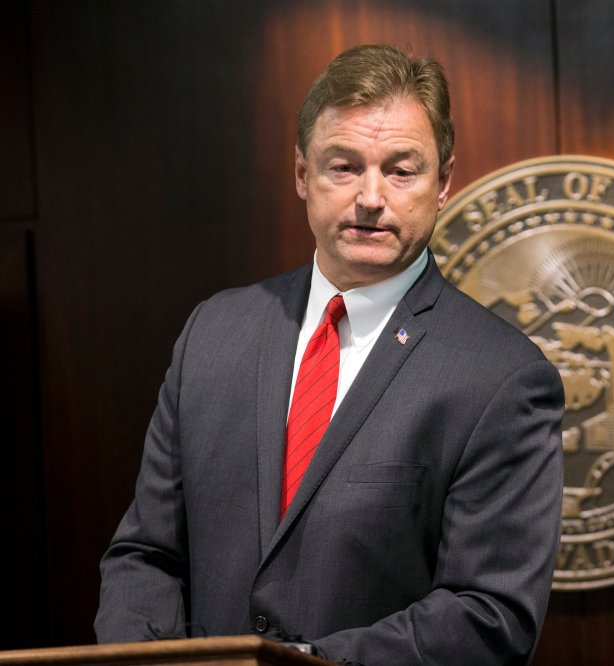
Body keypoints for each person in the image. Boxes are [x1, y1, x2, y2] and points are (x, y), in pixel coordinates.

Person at [95, 44, 565, 665]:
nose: (371, 197)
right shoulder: (214, 332)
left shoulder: (502, 377)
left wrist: (296, 664)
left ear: (444, 182)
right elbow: (146, 555)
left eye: (401, 170)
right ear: (301, 175)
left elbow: (489, 615)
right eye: (343, 166)